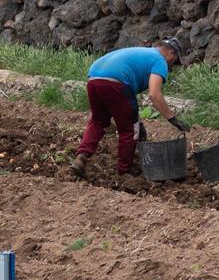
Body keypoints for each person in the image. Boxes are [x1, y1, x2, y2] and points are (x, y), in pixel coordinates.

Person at [71, 37, 189, 178]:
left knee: (98, 122)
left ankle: (81, 157)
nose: (171, 68)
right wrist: (172, 118)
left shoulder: (143, 53)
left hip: (93, 79)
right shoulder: (160, 60)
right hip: (116, 82)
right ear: (171, 53)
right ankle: (124, 174)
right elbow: (154, 93)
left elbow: (127, 102)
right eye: (175, 62)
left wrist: (137, 120)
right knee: (129, 130)